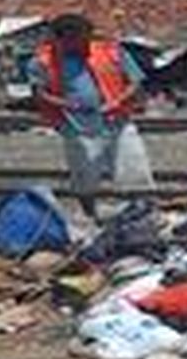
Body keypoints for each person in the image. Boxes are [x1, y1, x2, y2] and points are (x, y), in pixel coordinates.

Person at [27, 13, 154, 220]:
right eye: (75, 40)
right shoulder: (42, 61)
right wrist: (67, 105)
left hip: (117, 120)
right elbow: (39, 93)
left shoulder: (111, 51)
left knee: (133, 167)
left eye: (85, 38)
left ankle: (141, 213)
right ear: (60, 39)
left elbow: (135, 81)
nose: (82, 44)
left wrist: (117, 101)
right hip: (76, 125)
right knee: (84, 173)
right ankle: (90, 215)